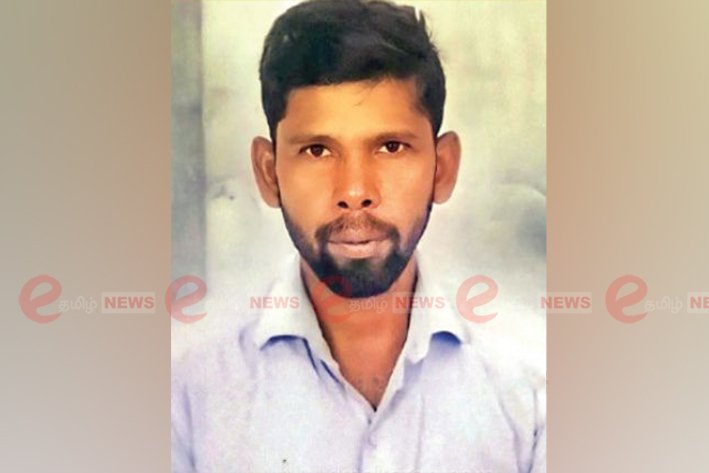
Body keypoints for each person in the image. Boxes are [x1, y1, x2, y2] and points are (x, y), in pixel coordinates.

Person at [172, 0, 545, 471]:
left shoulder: (536, 380)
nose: (354, 192)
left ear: (442, 169)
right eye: (317, 150)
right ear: (269, 173)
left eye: (390, 147)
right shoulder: (185, 388)